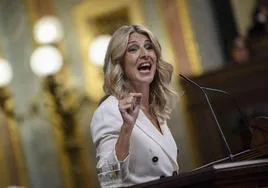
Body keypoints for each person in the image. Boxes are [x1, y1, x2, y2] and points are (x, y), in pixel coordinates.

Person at [90, 24, 179, 187]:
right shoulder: (108, 111)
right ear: (119, 62)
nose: (145, 54)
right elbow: (108, 179)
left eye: (149, 47)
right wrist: (126, 127)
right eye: (133, 49)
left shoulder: (156, 109)